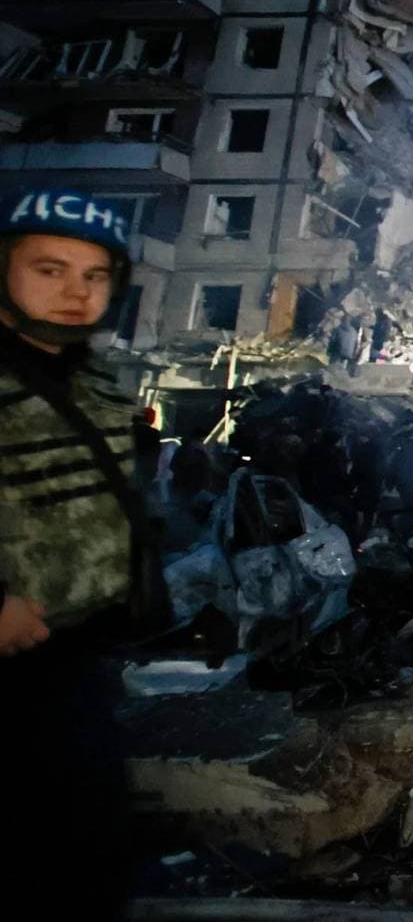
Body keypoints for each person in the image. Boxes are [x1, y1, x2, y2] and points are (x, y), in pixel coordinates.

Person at [0, 186, 170, 919]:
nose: (74, 292)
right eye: (49, 269)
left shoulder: (96, 383)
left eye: (94, 276)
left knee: (88, 856)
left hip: (74, 658)